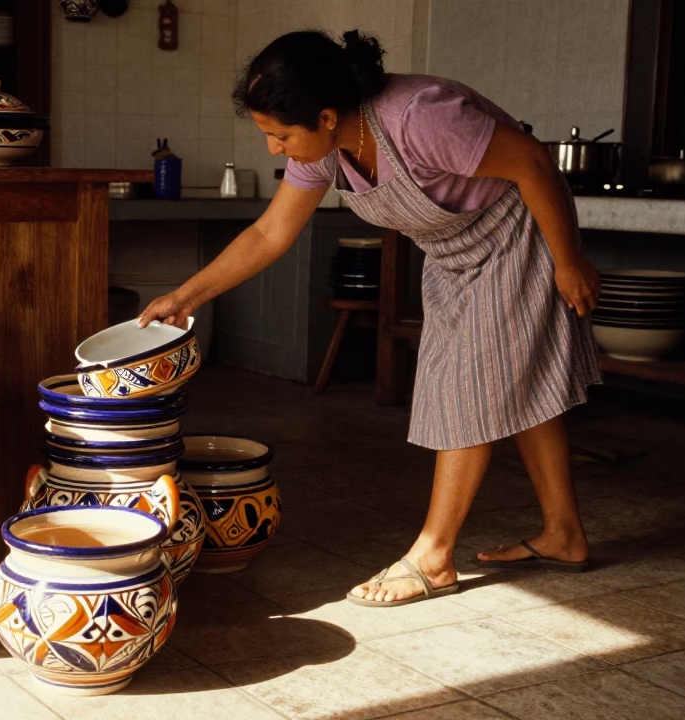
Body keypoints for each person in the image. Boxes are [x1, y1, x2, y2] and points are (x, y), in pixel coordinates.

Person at [138, 30, 602, 607]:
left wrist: (568, 260)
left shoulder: (420, 116)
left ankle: (433, 556)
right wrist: (186, 295)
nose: (274, 149)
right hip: (454, 252)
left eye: (281, 135)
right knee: (513, 383)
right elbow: (270, 232)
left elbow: (534, 163)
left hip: (519, 231)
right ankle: (564, 535)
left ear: (327, 116)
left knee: (465, 386)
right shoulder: (328, 147)